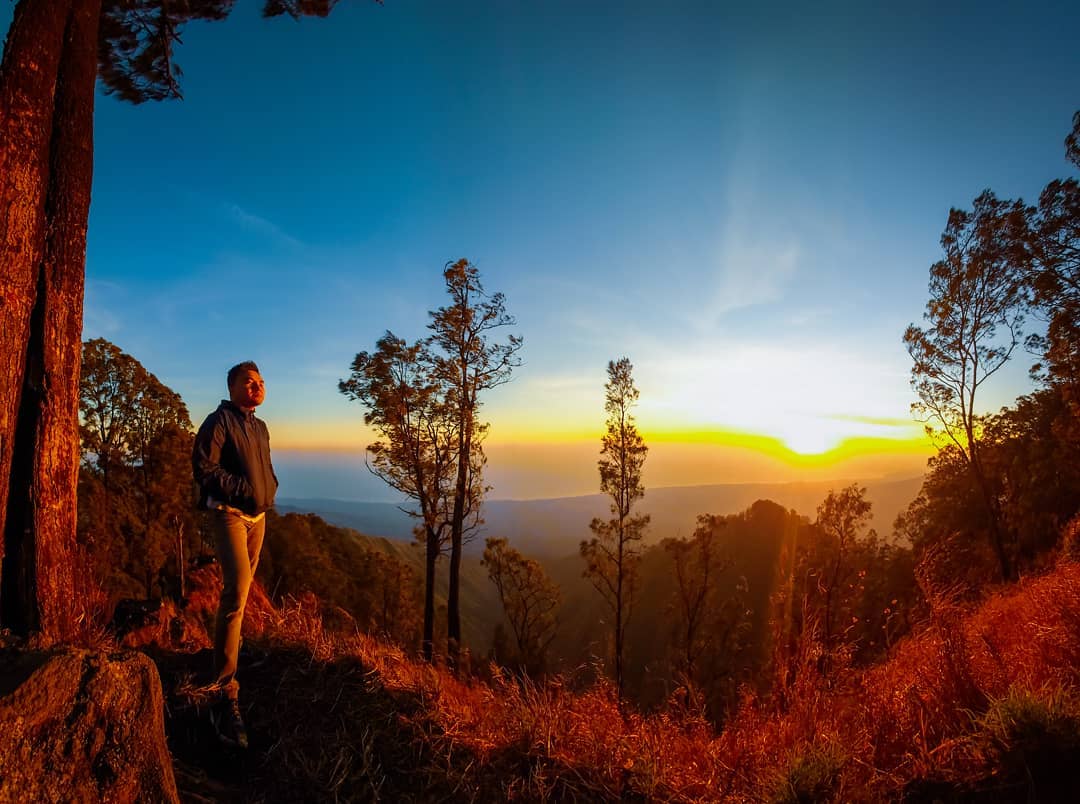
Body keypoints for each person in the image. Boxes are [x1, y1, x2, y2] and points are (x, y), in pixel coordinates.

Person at [192, 361, 278, 748]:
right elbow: (204, 468)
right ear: (232, 387)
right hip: (230, 515)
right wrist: (243, 490)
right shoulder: (218, 422)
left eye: (260, 381)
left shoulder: (260, 427)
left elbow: (265, 468)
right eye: (249, 381)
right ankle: (224, 690)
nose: (256, 386)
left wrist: (268, 488)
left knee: (242, 594)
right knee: (236, 592)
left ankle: (234, 654)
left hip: (258, 518)